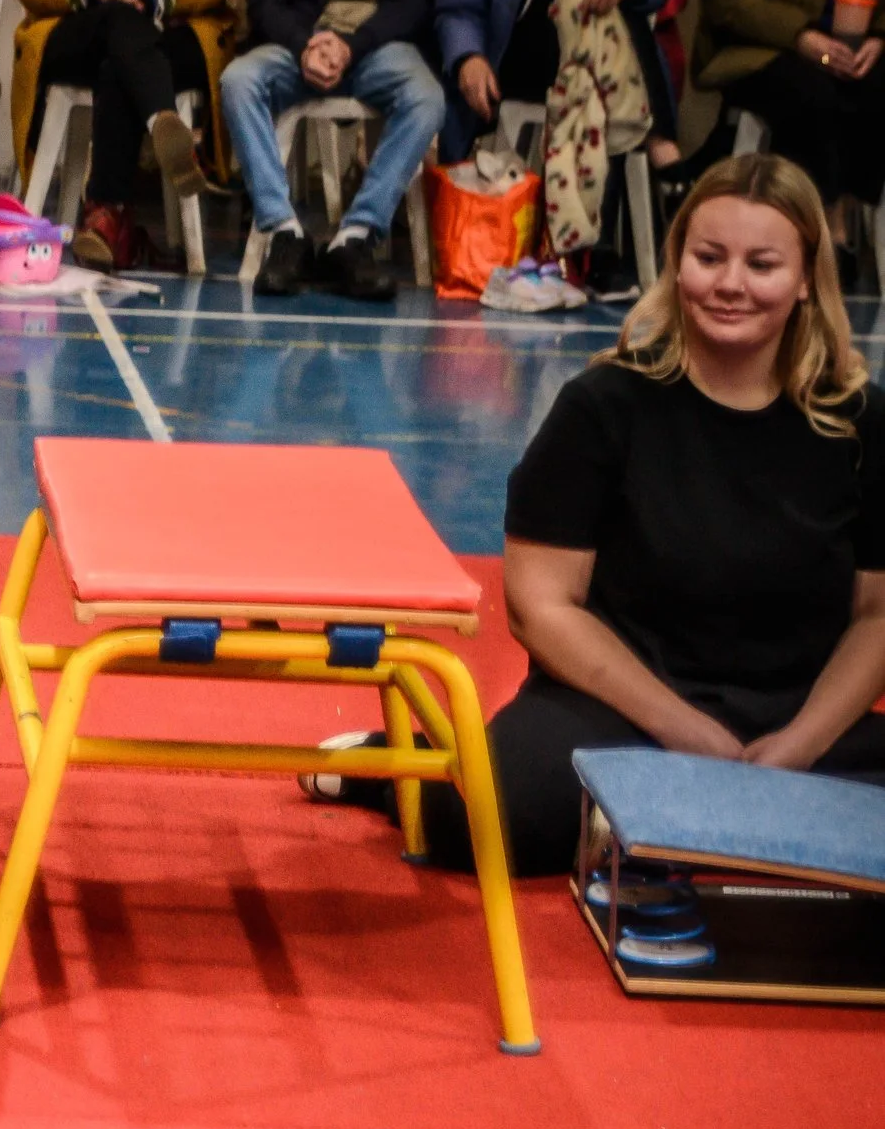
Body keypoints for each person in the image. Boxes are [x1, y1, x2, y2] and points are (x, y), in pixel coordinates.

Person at [303, 155, 885, 875]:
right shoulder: (606, 407)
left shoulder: (859, 423)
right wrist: (684, 730)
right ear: (677, 265)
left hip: (797, 718)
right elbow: (541, 606)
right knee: (484, 822)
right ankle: (402, 767)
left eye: (761, 264)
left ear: (804, 280)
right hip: (623, 712)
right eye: (709, 258)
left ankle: (692, 814)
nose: (731, 283)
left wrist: (799, 746)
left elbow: (876, 616)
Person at [432, 0, 681, 290]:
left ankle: (587, 242)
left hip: (598, 55)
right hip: (516, 54)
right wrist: (467, 56)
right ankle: (660, 166)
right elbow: (458, 6)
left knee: (609, 33)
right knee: (603, 42)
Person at [222, 0, 445, 301]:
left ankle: (356, 236)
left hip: (376, 45)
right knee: (238, 82)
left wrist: (352, 46)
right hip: (300, 44)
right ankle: (285, 232)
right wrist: (303, 46)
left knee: (427, 98)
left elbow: (413, 0)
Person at [8, 0, 232, 273]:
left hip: (171, 26)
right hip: (84, 23)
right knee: (119, 20)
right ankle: (161, 121)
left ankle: (108, 219)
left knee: (119, 66)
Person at [696, 0, 885, 248]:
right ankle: (818, 231)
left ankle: (846, 218)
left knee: (872, 90)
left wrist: (879, 36)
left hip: (856, 48)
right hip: (763, 46)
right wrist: (799, 35)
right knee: (811, 94)